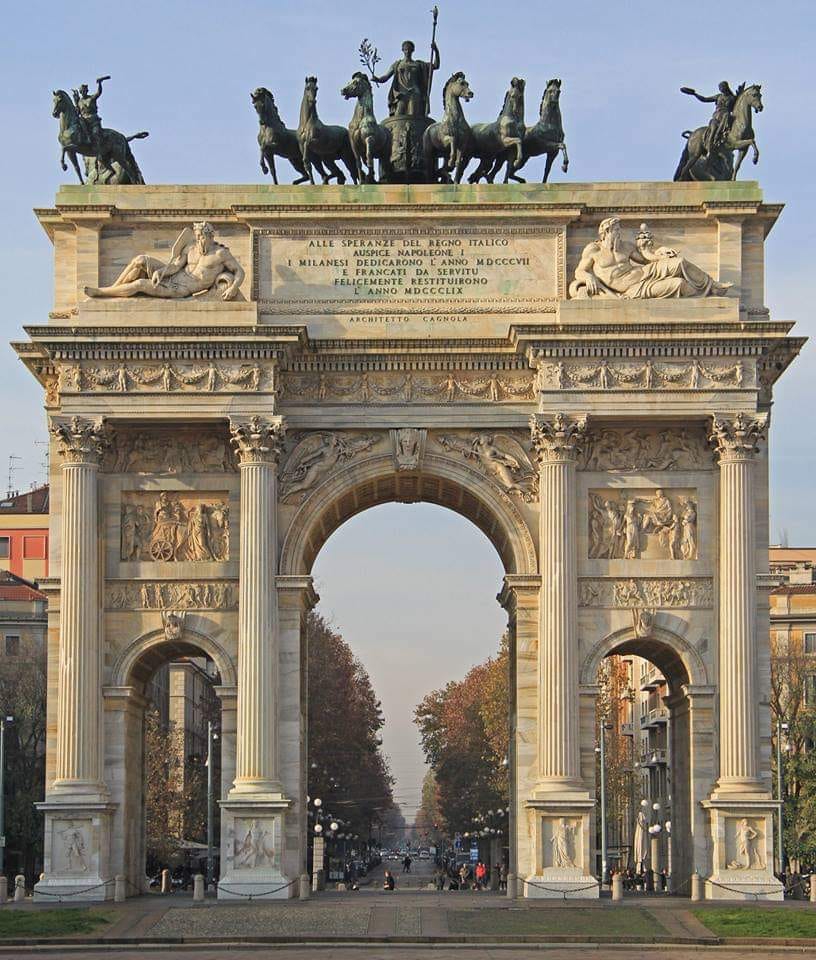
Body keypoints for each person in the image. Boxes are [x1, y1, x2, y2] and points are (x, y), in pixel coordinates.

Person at [85, 221, 245, 301]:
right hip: (174, 276)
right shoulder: (191, 248)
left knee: (140, 284)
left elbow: (240, 272)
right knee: (141, 260)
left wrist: (233, 287)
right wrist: (161, 271)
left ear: (210, 237)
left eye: (202, 237)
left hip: (181, 289)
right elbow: (176, 266)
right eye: (197, 237)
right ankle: (113, 289)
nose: (199, 241)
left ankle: (101, 293)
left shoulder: (221, 254)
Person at [681, 82, 736, 157]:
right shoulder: (718, 96)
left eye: (722, 87)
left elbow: (737, 108)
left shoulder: (732, 98)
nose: (721, 89)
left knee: (726, 116)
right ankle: (709, 148)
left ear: (726, 87)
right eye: (720, 88)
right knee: (713, 129)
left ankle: (721, 139)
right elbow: (705, 99)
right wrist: (695, 94)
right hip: (716, 118)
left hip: (725, 118)